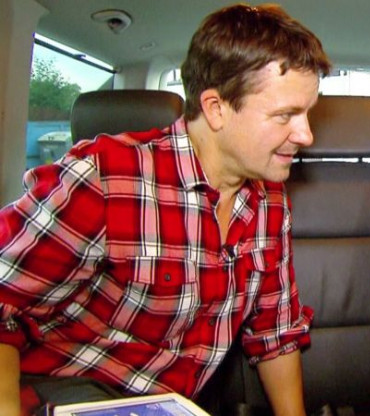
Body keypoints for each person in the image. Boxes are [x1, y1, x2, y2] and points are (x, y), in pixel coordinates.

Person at [0, 4, 330, 416]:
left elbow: (274, 333)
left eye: (308, 113)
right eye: (285, 115)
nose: (306, 135)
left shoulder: (271, 204)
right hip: (70, 392)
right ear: (216, 108)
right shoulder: (103, 178)